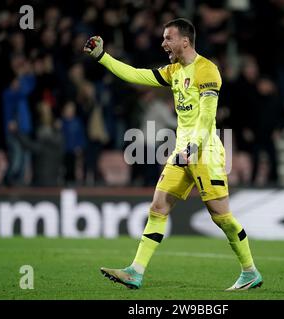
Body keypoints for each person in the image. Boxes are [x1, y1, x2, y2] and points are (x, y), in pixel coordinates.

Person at [83, 18, 263, 291]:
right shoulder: (174, 71)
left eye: (168, 38)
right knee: (158, 208)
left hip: (204, 151)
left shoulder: (207, 70)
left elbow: (207, 117)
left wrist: (193, 147)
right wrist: (102, 57)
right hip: (182, 151)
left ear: (185, 41)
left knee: (220, 216)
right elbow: (136, 75)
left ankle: (250, 272)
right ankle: (135, 271)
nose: (163, 43)